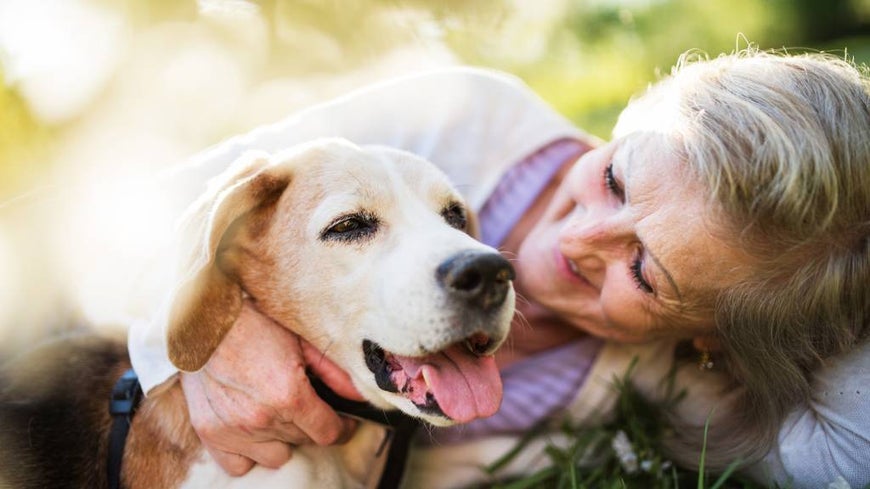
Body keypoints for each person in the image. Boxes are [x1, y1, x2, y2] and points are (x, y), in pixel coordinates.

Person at [128, 48, 870, 488]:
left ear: (711, 333)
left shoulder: (671, 372)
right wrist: (197, 337)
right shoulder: (465, 113)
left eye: (644, 273)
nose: (575, 242)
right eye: (615, 178)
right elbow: (118, 217)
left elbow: (853, 450)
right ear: (632, 120)